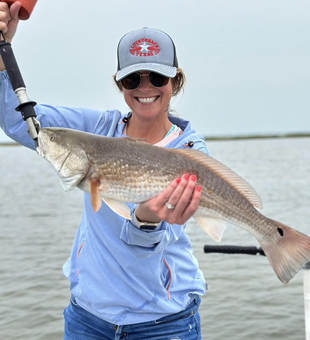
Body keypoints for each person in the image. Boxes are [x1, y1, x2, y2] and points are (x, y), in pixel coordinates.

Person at [0, 2, 209, 339]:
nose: (144, 88)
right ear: (119, 84)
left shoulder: (190, 152)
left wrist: (145, 220)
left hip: (163, 324)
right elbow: (18, 121)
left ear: (176, 80)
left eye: (157, 76)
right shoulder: (96, 128)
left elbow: (153, 240)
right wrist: (1, 57)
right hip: (87, 320)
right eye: (132, 79)